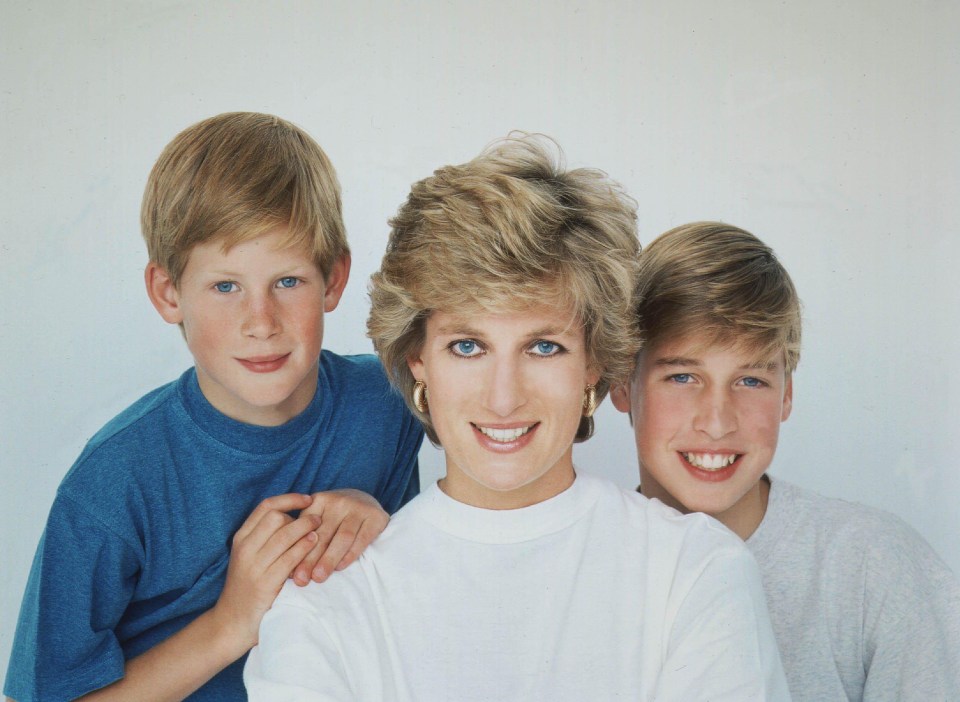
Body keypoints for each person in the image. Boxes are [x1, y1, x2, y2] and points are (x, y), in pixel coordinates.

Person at [244, 137, 790, 700]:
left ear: (593, 362)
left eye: (543, 347)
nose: (503, 399)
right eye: (468, 347)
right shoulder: (327, 597)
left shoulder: (696, 571)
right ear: (417, 359)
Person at [4, 112, 423, 701]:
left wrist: (386, 530)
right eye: (226, 286)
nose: (261, 323)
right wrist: (232, 621)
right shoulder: (111, 483)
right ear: (168, 293)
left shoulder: (389, 403)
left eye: (289, 282)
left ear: (334, 279)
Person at [610, 221, 960, 700]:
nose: (717, 423)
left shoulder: (872, 566)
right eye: (682, 377)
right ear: (620, 385)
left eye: (751, 381)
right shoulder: (585, 564)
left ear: (787, 396)